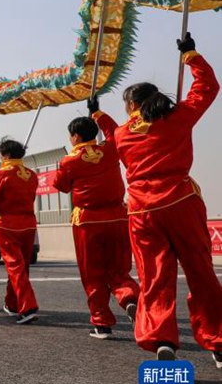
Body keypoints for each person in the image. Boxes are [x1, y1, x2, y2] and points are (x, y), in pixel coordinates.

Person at [91, 32, 221, 366]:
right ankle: (217, 339)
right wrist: (191, 55)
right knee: (200, 270)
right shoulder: (176, 118)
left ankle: (162, 337)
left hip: (142, 210)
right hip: (180, 201)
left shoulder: (121, 134)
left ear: (131, 107)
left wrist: (98, 116)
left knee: (154, 277)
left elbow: (111, 136)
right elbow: (207, 89)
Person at [52, 117, 139, 339]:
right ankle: (129, 298)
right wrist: (99, 114)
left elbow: (60, 185)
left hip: (88, 221)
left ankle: (102, 323)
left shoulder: (69, 160)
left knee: (93, 274)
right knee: (119, 269)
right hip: (118, 216)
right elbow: (115, 131)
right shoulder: (110, 149)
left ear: (76, 137)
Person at [0, 138, 39, 325]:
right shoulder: (32, 175)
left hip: (6, 224)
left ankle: (28, 306)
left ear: (6, 155)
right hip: (28, 224)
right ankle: (12, 302)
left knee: (15, 265)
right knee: (20, 267)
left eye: (0, 154)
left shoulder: (1, 174)